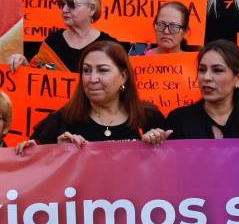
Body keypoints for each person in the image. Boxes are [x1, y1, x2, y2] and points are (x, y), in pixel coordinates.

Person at [16, 41, 166, 148]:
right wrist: (56, 154)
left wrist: (157, 148)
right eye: (87, 70)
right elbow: (34, 171)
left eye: (102, 70)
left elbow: (172, 175)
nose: (92, 79)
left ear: (124, 76)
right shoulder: (61, 121)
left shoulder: (149, 118)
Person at [163, 40, 239, 145]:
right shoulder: (178, 120)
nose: (206, 77)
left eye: (217, 70)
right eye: (202, 70)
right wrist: (153, 143)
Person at [10, 0, 117, 72]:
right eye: (62, 4)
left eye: (71, 4)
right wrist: (24, 66)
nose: (65, 10)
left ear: (92, 9)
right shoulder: (53, 42)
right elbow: (41, 73)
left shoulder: (108, 46)